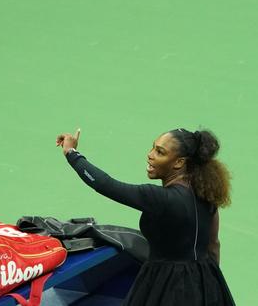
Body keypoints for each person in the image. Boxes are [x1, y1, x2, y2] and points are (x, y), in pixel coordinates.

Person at [55, 128, 234, 305]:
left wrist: (72, 153)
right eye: (153, 147)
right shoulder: (206, 193)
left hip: (165, 283)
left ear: (179, 162)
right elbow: (213, 244)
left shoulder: (159, 198)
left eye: (160, 152)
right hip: (206, 279)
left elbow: (105, 185)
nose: (150, 155)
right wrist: (209, 285)